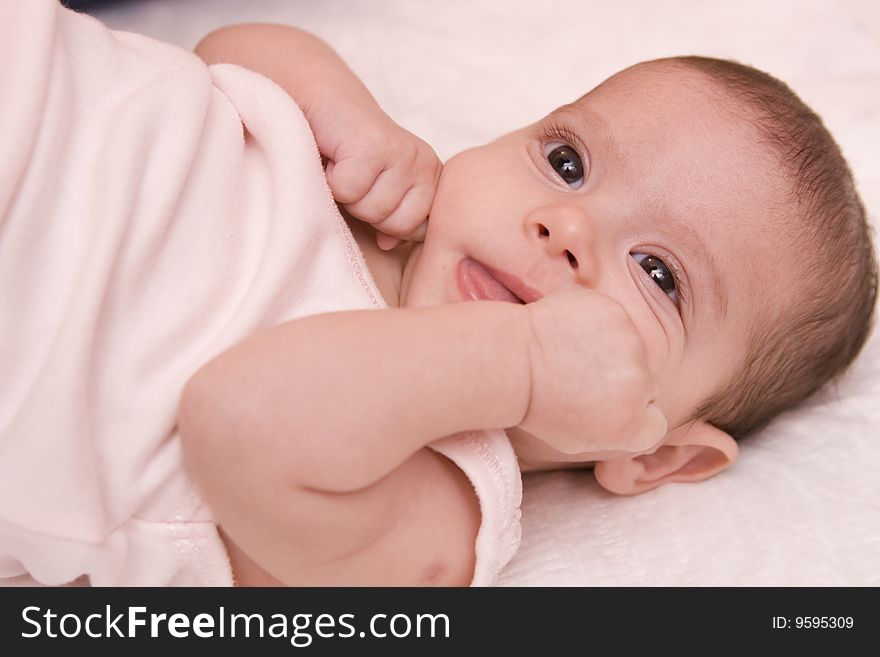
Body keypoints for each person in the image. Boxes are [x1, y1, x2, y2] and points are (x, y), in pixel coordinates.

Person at [0, 0, 875, 587]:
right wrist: (341, 107)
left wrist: (521, 366)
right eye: (567, 163)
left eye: (659, 274)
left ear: (655, 451)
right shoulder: (388, 194)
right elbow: (222, 60)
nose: (566, 228)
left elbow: (241, 418)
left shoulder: (451, 501)